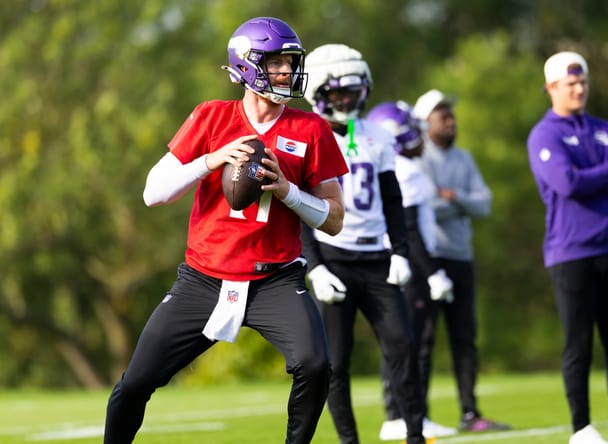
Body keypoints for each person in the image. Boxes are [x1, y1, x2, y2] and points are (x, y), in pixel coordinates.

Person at [103, 17, 348, 444]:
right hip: (203, 277)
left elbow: (334, 219)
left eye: (290, 63)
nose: (287, 73)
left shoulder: (311, 129)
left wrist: (289, 192)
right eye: (276, 64)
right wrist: (211, 160)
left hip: (275, 277)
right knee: (137, 381)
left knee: (314, 364)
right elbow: (152, 193)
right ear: (248, 66)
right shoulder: (211, 116)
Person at [300, 43, 427, 444]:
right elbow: (297, 208)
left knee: (403, 345)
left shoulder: (377, 135)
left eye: (352, 91)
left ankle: (414, 435)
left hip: (376, 257)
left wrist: (401, 251)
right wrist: (314, 265)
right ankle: (349, 441)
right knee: (336, 362)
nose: (346, 99)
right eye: (337, 91)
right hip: (333, 257)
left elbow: (392, 198)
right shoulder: (307, 135)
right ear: (319, 91)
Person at [526, 51, 608, 444]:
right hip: (571, 252)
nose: (579, 89)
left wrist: (597, 174)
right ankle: (581, 428)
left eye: (583, 82)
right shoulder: (544, 134)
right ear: (551, 89)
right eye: (570, 84)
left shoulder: (605, 129)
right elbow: (567, 184)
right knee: (578, 344)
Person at [410, 89, 510, 432]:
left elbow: (484, 204)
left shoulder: (464, 159)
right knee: (423, 340)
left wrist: (452, 196)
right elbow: (424, 207)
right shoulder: (418, 158)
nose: (451, 123)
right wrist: (459, 202)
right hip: (429, 260)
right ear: (426, 123)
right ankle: (417, 415)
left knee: (465, 337)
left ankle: (470, 413)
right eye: (444, 117)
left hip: (461, 257)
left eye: (452, 116)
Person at [366, 101, 458, 441]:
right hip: (409, 268)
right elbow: (409, 230)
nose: (420, 136)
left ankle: (410, 413)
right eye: (412, 129)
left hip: (402, 264)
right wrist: (433, 271)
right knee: (409, 344)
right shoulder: (403, 171)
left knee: (410, 343)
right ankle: (402, 415)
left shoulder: (399, 166)